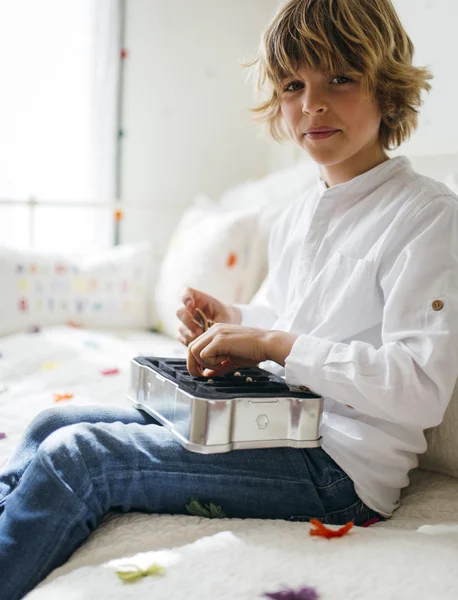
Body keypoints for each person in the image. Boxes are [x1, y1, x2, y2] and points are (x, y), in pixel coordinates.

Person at [1, 0, 457, 597]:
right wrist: (233, 321)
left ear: (388, 89)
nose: (312, 103)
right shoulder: (298, 214)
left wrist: (272, 342)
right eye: (294, 84)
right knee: (53, 421)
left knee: (83, 455)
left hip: (338, 468)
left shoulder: (427, 215)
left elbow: (421, 387)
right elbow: (281, 318)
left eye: (340, 78)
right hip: (274, 421)